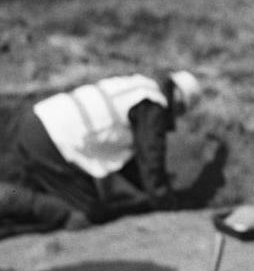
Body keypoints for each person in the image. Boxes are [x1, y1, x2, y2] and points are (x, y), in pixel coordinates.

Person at [0, 70, 202, 238]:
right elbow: (151, 162)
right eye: (180, 111)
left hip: (37, 123)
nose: (175, 117)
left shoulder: (136, 87)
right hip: (53, 141)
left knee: (66, 191)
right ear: (178, 99)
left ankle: (15, 201)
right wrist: (167, 207)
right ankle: (13, 208)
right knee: (85, 213)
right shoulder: (151, 105)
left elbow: (135, 164)